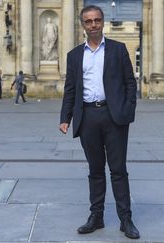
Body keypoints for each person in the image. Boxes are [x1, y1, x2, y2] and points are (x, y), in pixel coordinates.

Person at [59, 5, 139, 239]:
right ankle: (97, 216)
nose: (93, 25)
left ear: (103, 22)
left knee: (118, 170)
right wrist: (65, 118)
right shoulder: (74, 55)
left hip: (113, 117)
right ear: (82, 24)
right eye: (88, 21)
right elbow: (70, 89)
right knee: (95, 170)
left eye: (97, 20)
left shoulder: (118, 49)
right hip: (87, 117)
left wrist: (128, 110)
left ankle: (126, 219)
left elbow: (129, 83)